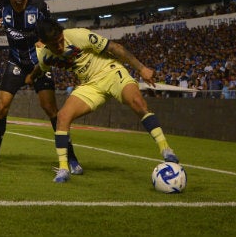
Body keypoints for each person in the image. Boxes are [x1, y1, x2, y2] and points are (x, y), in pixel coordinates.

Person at [26, 18, 179, 183]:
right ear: (44, 43)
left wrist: (141, 68)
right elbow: (40, 68)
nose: (59, 46)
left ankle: (166, 150)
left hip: (111, 72)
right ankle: (64, 169)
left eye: (60, 41)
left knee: (138, 103)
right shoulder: (46, 56)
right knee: (62, 117)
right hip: (90, 85)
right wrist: (30, 77)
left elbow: (116, 47)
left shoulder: (79, 35)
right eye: (54, 44)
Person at [0, 0, 81, 174]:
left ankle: (71, 158)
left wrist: (48, 45)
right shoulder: (1, 6)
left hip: (39, 64)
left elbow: (52, 32)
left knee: (51, 110)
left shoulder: (38, 6)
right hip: (15, 62)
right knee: (1, 107)